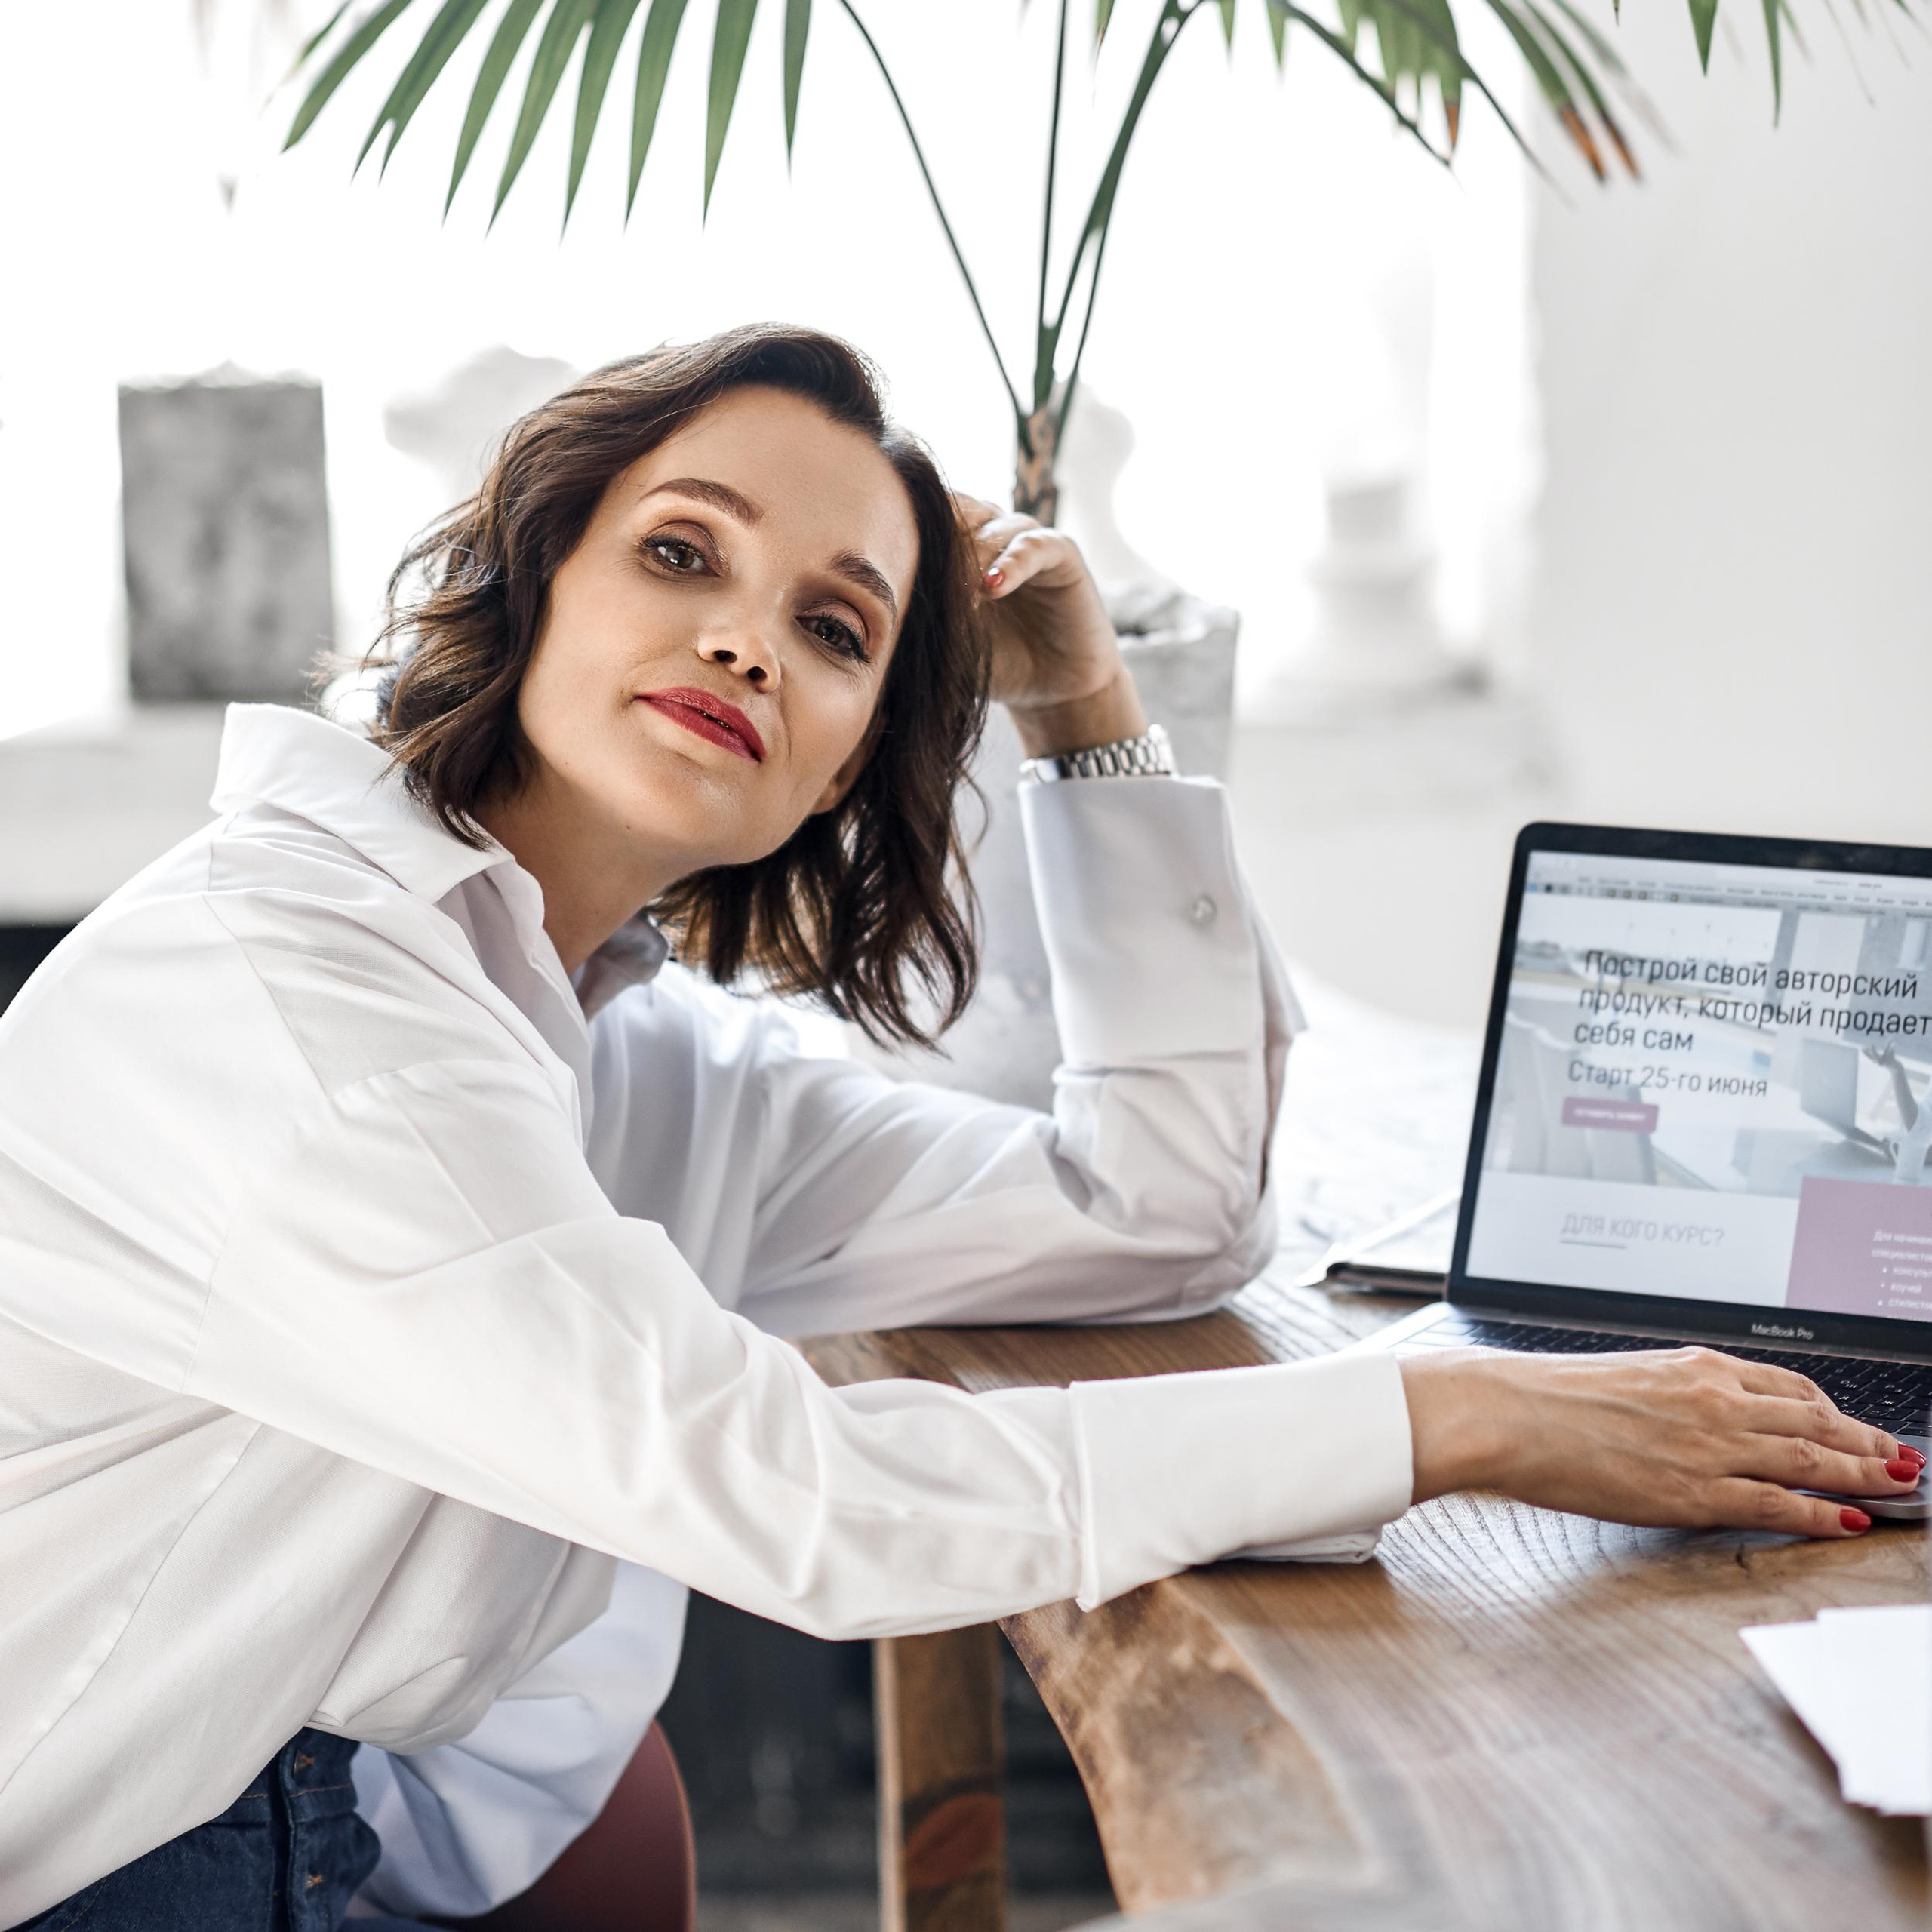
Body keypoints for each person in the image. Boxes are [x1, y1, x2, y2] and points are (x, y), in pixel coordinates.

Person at [0, 323, 1919, 1930]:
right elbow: (799, 1498)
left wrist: (1084, 703)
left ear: (851, 758)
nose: (749, 640)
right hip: (118, 1846)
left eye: (834, 627)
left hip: (342, 1807)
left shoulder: (629, 1049)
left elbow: (1158, 1210)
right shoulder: (295, 983)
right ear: (533, 568)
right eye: (683, 554)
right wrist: (1460, 1417)